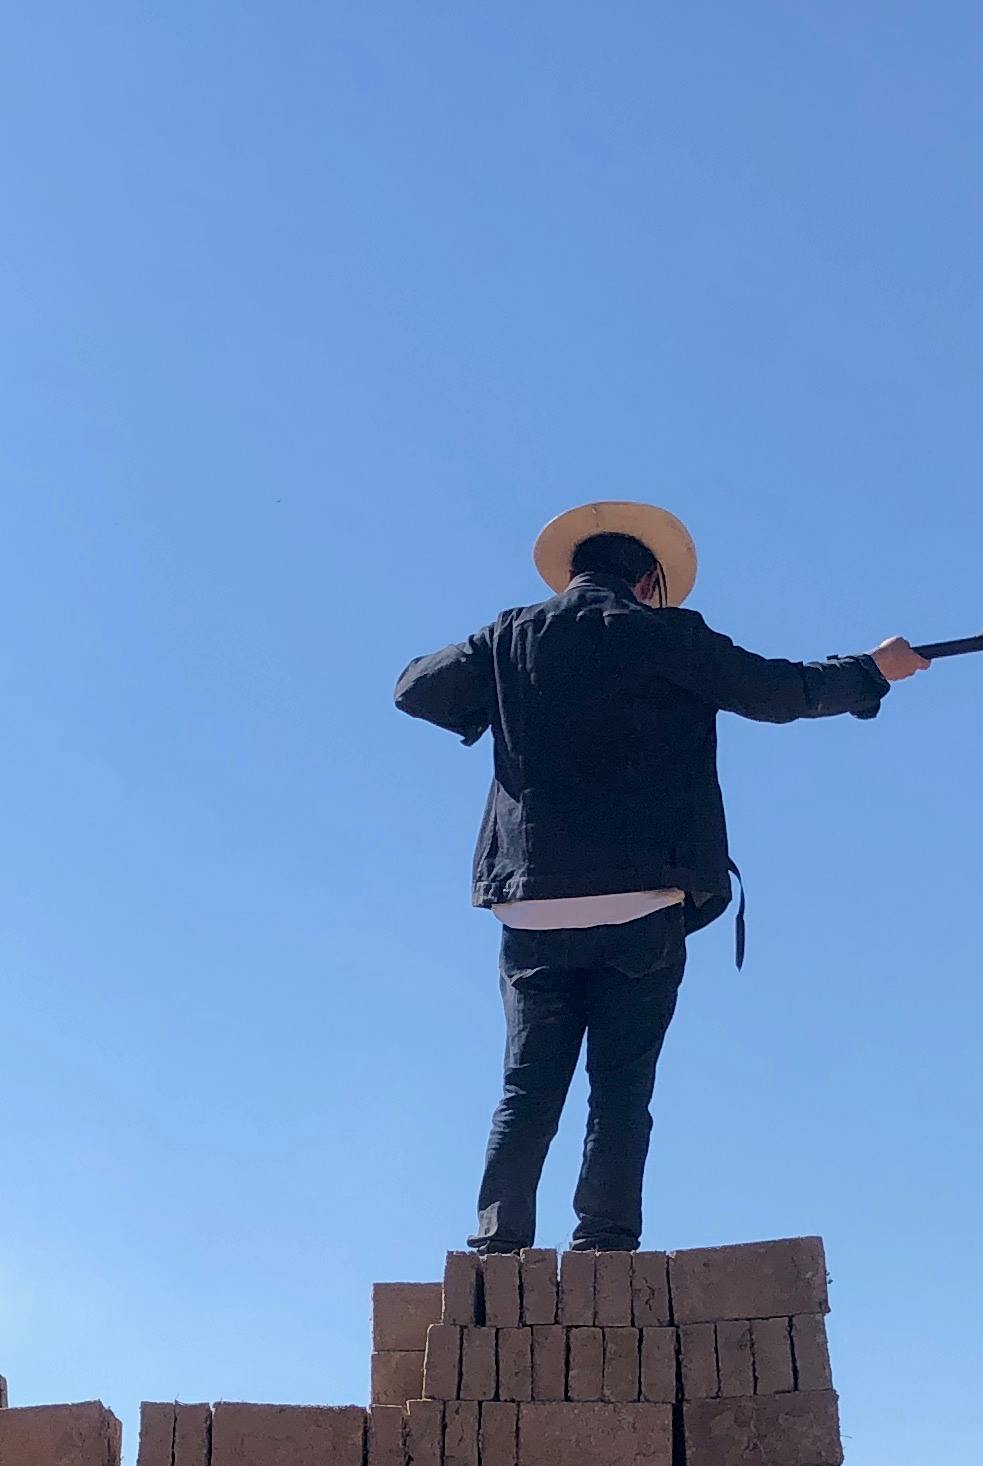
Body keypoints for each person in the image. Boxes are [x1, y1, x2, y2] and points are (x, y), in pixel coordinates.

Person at [395, 500, 923, 1255]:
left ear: (573, 574)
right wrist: (875, 671)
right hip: (642, 903)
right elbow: (781, 691)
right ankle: (605, 1247)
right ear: (648, 580)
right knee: (620, 1089)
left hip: (533, 906)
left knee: (527, 1087)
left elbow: (414, 689)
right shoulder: (668, 635)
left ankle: (496, 1244)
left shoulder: (509, 635)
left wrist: (500, 690)